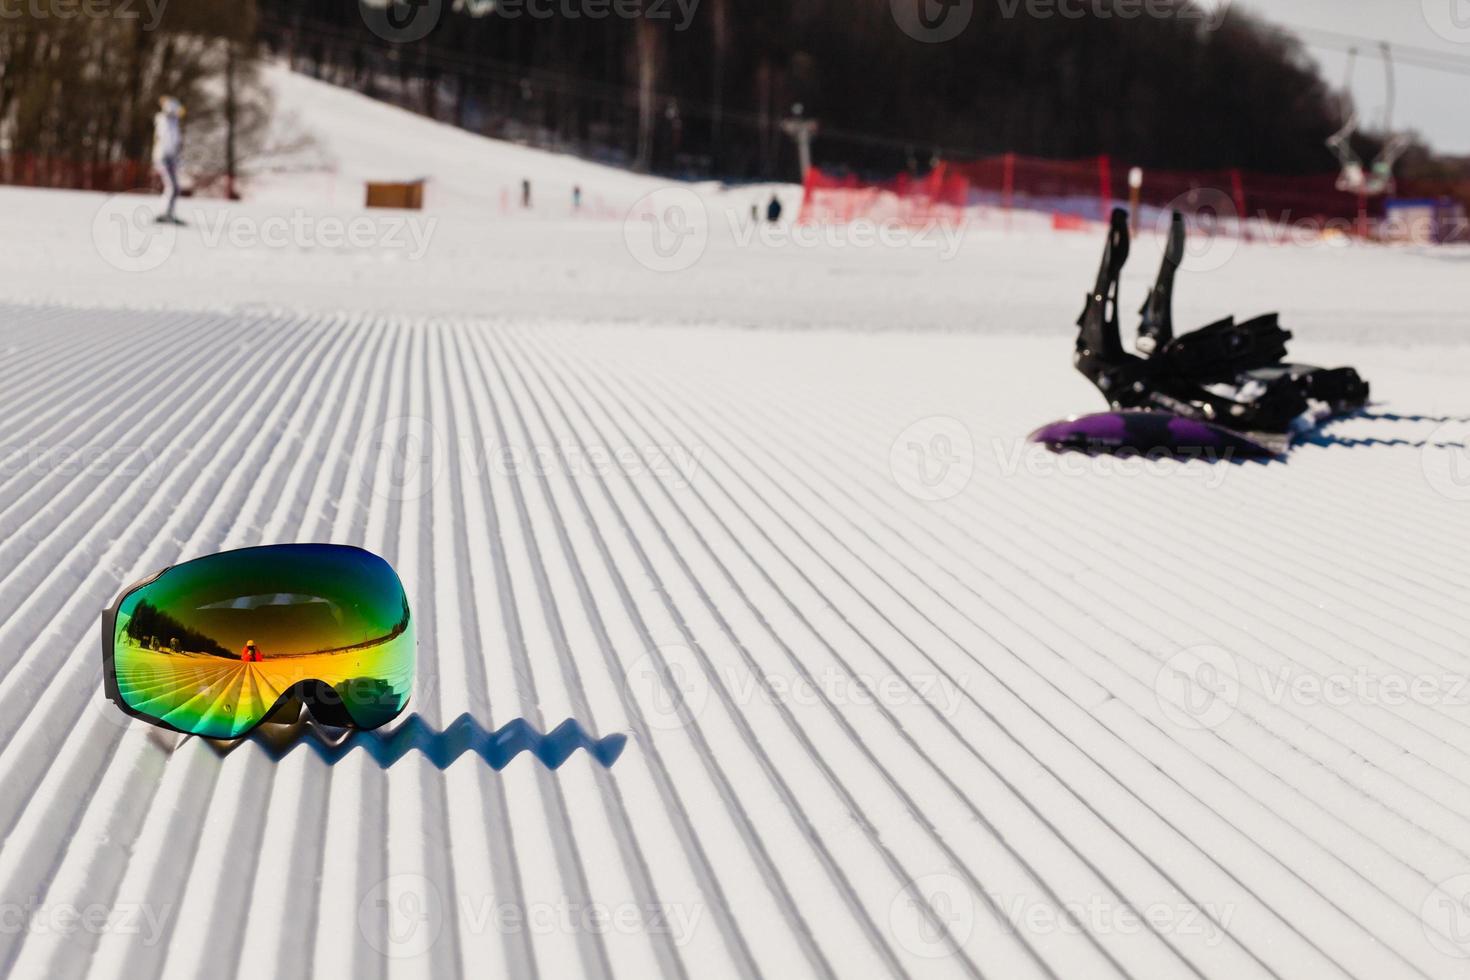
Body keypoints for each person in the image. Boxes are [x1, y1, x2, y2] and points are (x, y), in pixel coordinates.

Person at [153, 96, 185, 225]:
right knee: (172, 186)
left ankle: (169, 213)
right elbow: (168, 141)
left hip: (170, 158)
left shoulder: (173, 122)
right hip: (164, 158)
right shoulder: (165, 121)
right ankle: (165, 213)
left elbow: (175, 143)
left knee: (174, 187)